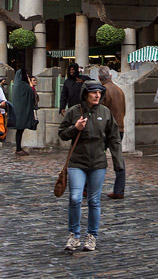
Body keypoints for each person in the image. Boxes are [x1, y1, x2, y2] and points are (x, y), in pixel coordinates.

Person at [58, 80, 123, 252]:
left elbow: (114, 138)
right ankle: (74, 235)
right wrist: (75, 127)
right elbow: (62, 134)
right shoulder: (74, 111)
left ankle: (92, 236)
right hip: (77, 162)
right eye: (93, 92)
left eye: (99, 93)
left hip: (98, 163)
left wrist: (118, 162)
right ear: (85, 94)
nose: (97, 95)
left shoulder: (105, 113)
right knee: (75, 198)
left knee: (94, 201)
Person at [97, 67, 126, 199]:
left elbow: (102, 111)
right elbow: (123, 110)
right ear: (110, 76)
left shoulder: (104, 91)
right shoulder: (120, 91)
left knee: (95, 157)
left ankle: (88, 187)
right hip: (119, 128)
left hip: (107, 130)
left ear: (100, 79)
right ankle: (119, 190)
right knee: (118, 159)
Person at [11, 66, 36, 156]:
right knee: (20, 130)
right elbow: (32, 92)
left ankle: (19, 147)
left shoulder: (17, 84)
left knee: (20, 130)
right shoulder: (23, 85)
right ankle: (18, 148)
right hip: (22, 112)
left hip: (18, 112)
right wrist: (30, 82)